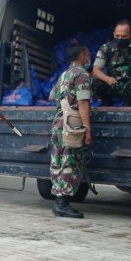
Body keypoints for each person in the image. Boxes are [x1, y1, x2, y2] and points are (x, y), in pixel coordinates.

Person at [49, 44, 93, 218]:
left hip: (59, 122)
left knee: (59, 160)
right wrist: (88, 130)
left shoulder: (64, 74)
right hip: (72, 123)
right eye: (88, 54)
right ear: (83, 56)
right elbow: (83, 103)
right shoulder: (82, 74)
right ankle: (62, 205)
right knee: (70, 161)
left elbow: (51, 96)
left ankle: (59, 202)